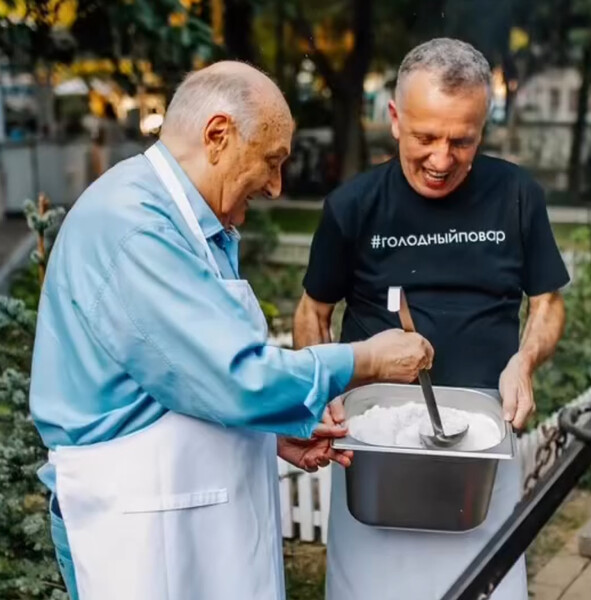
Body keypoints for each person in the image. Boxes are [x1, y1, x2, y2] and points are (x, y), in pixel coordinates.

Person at [29, 61, 433, 600]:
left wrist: (270, 430)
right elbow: (233, 376)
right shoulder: (134, 227)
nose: (275, 185)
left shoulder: (192, 226)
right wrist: (367, 360)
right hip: (132, 529)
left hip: (176, 516)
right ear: (217, 136)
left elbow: (183, 378)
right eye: (272, 161)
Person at [293, 38, 570, 600]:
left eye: (461, 141)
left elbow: (547, 303)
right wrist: (325, 389)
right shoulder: (353, 205)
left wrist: (525, 360)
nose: (442, 160)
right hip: (377, 445)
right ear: (394, 119)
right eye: (425, 138)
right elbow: (312, 313)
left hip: (483, 442)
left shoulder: (517, 195)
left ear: (482, 129)